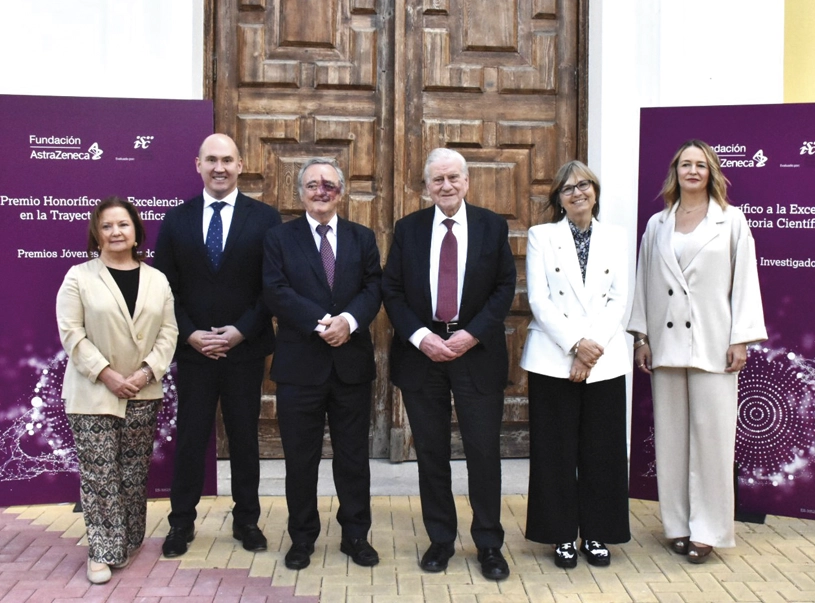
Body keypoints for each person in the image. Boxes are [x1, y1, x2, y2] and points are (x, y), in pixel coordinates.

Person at [628, 139, 767, 564]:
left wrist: (740, 338)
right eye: (686, 164)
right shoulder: (658, 224)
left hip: (714, 344)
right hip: (667, 346)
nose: (693, 171)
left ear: (711, 173)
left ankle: (707, 530)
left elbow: (744, 283)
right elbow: (644, 283)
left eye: (700, 165)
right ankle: (677, 524)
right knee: (671, 440)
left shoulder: (732, 221)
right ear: (676, 172)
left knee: (713, 441)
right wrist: (642, 337)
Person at [382, 148, 516, 581]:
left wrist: (470, 333)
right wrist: (422, 338)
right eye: (437, 180)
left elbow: (504, 286)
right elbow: (393, 290)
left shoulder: (492, 226)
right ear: (426, 186)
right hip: (423, 355)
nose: (446, 186)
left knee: (483, 453)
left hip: (475, 352)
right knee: (432, 454)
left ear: (467, 181)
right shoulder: (409, 229)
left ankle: (490, 544)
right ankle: (440, 539)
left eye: (453, 178)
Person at [153, 133, 282, 557]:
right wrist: (189, 333)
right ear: (198, 164)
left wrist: (240, 330)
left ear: (241, 164)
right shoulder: (176, 220)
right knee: (191, 438)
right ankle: (181, 524)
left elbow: (273, 286)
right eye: (212, 160)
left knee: (245, 438)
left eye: (227, 159)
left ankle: (247, 521)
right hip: (194, 351)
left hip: (244, 349)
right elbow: (164, 287)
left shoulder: (265, 219)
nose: (220, 167)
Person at [262, 158, 382, 570]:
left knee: (353, 458)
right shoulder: (279, 238)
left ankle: (355, 535)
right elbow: (275, 291)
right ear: (300, 192)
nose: (321, 190)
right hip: (300, 367)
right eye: (312, 184)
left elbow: (373, 288)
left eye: (329, 184)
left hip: (350, 366)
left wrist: (347, 322)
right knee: (300, 459)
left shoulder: (362, 237)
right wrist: (321, 325)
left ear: (341, 191)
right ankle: (302, 537)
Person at [56, 197, 178, 584]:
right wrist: (106, 374)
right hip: (93, 392)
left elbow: (169, 332)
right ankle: (102, 550)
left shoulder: (157, 279)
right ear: (96, 233)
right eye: (107, 226)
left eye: (123, 225)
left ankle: (127, 538)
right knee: (99, 473)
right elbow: (71, 333)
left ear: (136, 230)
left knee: (131, 471)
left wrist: (145, 374)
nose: (115, 232)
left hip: (143, 390)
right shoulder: (79, 276)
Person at [520, 161, 631, 568]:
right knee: (555, 451)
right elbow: (539, 299)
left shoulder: (616, 236)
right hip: (553, 359)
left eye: (584, 185)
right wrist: (574, 346)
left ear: (595, 192)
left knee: (602, 451)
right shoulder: (541, 236)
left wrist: (591, 349)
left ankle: (599, 533)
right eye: (567, 188)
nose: (577, 192)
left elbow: (619, 299)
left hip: (603, 361)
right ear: (558, 199)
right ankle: (561, 535)